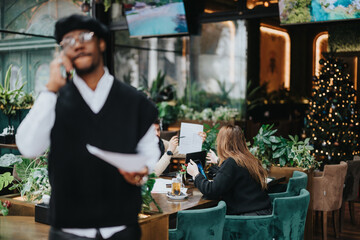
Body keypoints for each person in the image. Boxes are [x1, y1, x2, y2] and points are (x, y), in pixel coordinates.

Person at [15, 14, 160, 240]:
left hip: (121, 227)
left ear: (101, 43)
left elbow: (150, 150)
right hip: (68, 229)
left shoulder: (134, 101)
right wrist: (51, 90)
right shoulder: (54, 99)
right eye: (68, 41)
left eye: (85, 36)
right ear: (62, 53)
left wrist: (142, 169)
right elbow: (28, 147)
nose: (78, 44)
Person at [187, 125, 272, 216]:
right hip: (262, 214)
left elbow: (211, 191)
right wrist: (219, 162)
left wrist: (196, 174)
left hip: (247, 219)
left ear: (223, 142)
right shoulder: (249, 158)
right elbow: (230, 176)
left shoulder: (232, 162)